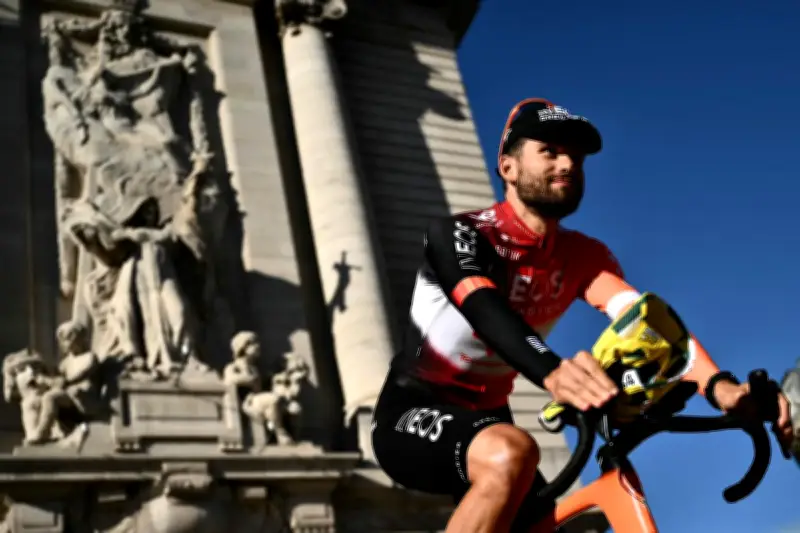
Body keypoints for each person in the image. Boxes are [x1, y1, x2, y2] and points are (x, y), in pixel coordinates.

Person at [370, 98, 795, 533]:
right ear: (508, 167)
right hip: (414, 408)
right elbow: (482, 306)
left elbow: (651, 327)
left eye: (576, 156)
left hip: (492, 420)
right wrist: (553, 371)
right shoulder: (463, 233)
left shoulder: (584, 256)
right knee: (511, 453)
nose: (568, 163)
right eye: (550, 151)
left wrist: (719, 387)